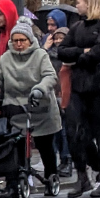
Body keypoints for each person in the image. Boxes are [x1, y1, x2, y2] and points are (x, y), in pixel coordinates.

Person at [0, 20, 62, 195]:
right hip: (16, 108)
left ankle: (50, 177)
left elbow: (50, 76)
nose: (18, 44)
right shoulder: (6, 58)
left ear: (30, 40)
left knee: (45, 147)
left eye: (22, 40)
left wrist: (39, 89)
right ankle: (12, 184)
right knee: (15, 148)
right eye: (15, 40)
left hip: (40, 106)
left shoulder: (40, 55)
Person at [56, 0, 100, 198]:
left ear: (90, 4)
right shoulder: (76, 27)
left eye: (79, 2)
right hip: (78, 88)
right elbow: (62, 50)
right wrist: (82, 52)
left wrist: (80, 57)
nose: (77, 5)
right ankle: (82, 176)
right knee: (74, 133)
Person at [43, 22, 73, 177]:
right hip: (52, 96)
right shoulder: (48, 55)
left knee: (65, 131)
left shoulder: (69, 55)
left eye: (62, 38)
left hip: (65, 95)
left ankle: (67, 160)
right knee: (56, 130)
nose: (58, 41)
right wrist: (45, 47)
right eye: (56, 38)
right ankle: (59, 160)